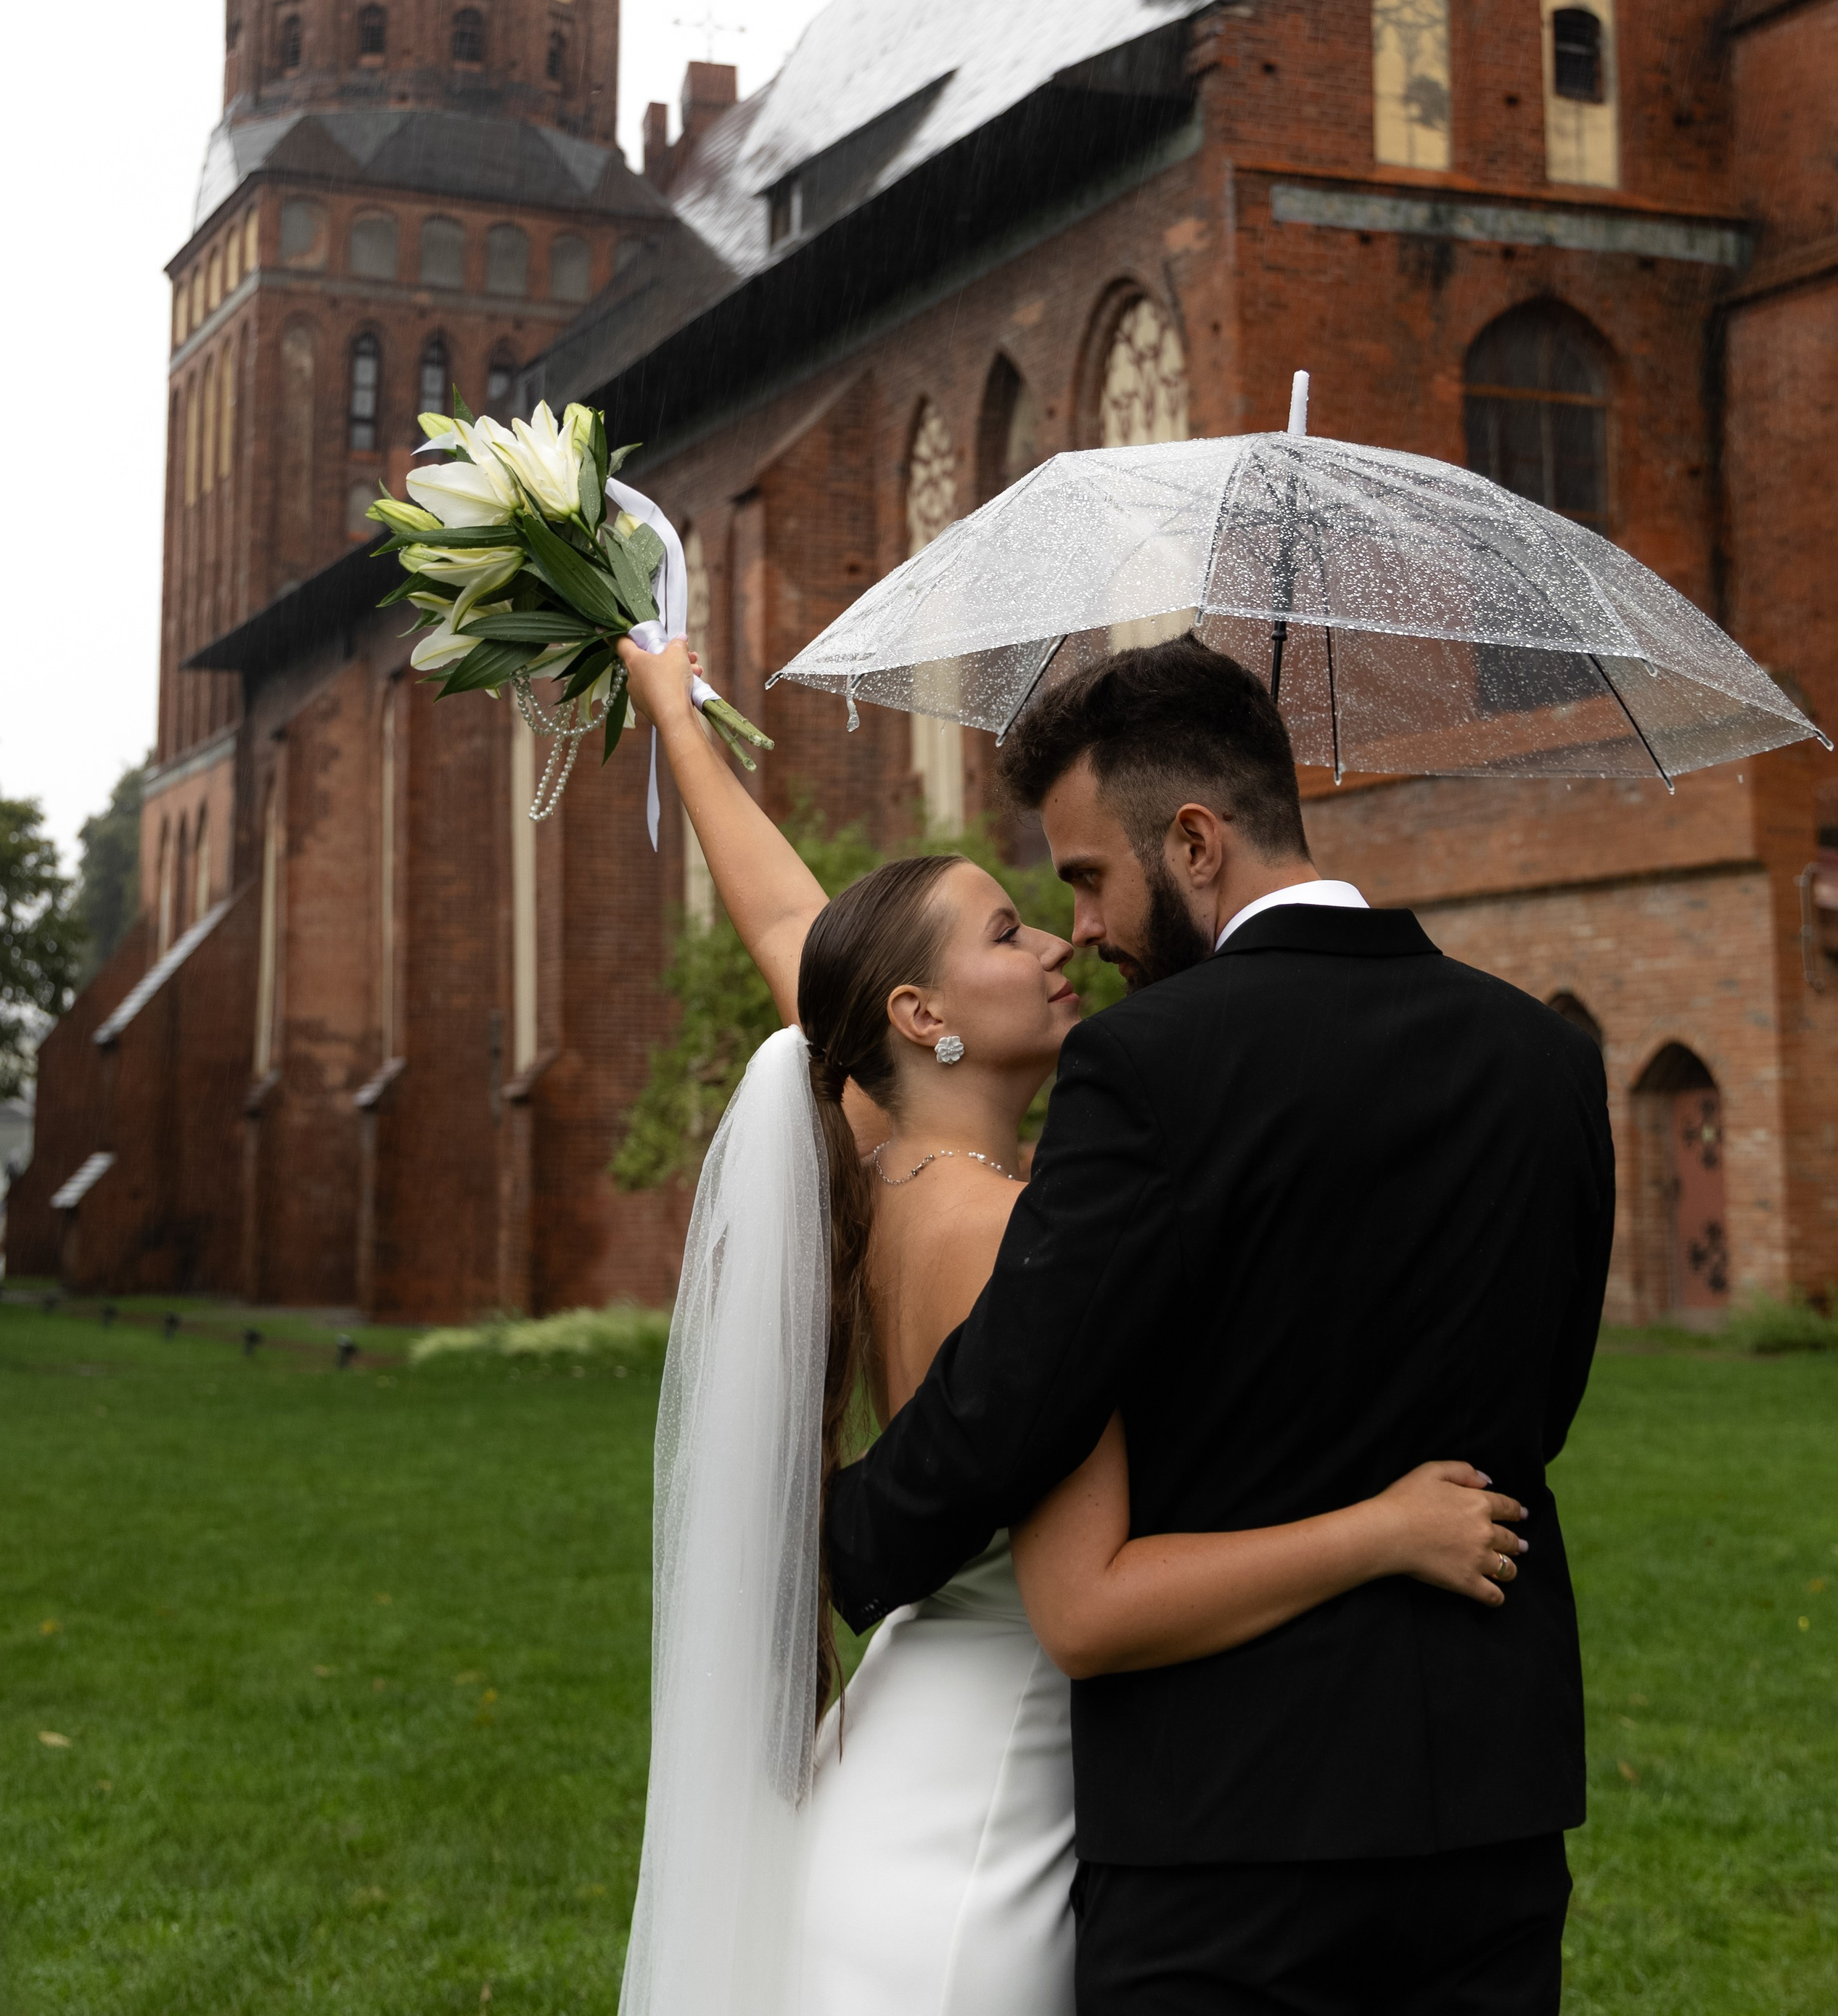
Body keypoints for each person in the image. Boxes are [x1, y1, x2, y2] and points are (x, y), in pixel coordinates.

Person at [615, 631, 1533, 2016]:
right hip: (983, 1816)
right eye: (1009, 929)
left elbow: (796, 937)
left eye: (1054, 902)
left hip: (912, 1753)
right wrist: (1386, 1530)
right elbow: (1087, 1604)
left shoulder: (882, 1152)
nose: (1062, 938)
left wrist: (681, 727)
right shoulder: (1010, 1238)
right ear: (919, 1015)